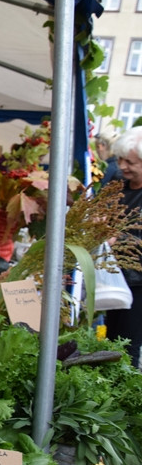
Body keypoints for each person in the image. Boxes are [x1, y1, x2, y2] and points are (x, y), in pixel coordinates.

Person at [105, 127, 142, 368]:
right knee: (110, 340)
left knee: (128, 344)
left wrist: (121, 239)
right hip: (113, 276)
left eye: (130, 162)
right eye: (119, 159)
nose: (122, 166)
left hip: (138, 281)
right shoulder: (118, 182)